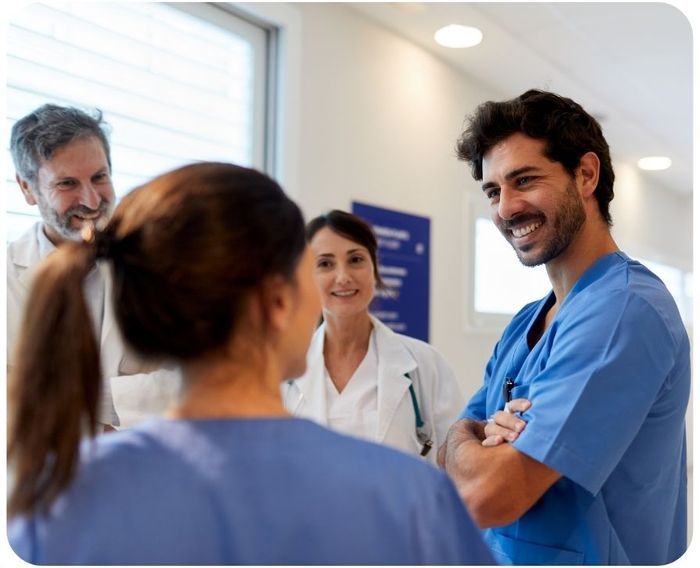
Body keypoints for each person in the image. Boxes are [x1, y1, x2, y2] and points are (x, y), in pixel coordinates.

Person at [7, 162, 494, 565]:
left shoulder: (60, 495)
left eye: (354, 260)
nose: (337, 280)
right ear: (279, 303)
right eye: (315, 269)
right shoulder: (409, 498)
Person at [439, 90, 690, 565]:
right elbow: (455, 445)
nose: (507, 208)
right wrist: (465, 438)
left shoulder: (624, 311)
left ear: (586, 174)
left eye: (525, 180)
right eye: (493, 191)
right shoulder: (526, 322)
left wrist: (471, 443)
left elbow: (487, 495)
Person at [7, 103, 180, 429]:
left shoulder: (161, 263)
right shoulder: (8, 277)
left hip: (144, 468)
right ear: (27, 189)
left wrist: (92, 402)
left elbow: (201, 380)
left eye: (99, 177)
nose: (90, 200)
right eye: (67, 184)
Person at [283, 210, 464, 464]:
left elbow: (457, 466)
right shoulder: (284, 374)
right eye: (325, 263)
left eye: (356, 259)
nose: (343, 277)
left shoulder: (425, 365)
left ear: (374, 268)